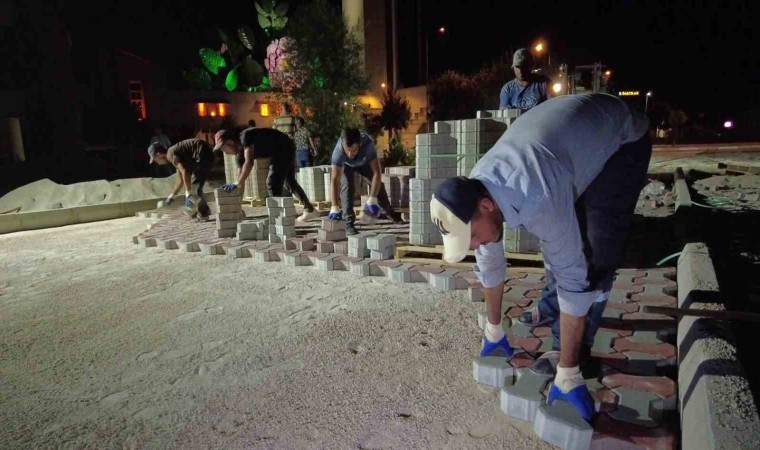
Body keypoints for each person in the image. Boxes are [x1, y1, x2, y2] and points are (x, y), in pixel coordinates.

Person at [429, 93, 650, 422]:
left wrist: (568, 371)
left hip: (622, 140)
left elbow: (573, 277)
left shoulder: (537, 195)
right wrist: (493, 330)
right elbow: (489, 262)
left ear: (486, 206)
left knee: (594, 254)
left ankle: (574, 351)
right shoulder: (478, 188)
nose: (473, 245)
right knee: (561, 236)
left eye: (471, 236)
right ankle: (551, 306)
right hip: (564, 145)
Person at [214, 127, 320, 222]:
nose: (225, 152)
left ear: (230, 142)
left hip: (284, 145)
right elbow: (240, 180)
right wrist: (238, 208)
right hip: (278, 151)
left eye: (223, 148)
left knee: (272, 183)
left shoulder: (245, 138)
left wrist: (238, 183)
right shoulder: (238, 154)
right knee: (289, 182)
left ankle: (280, 219)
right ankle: (309, 210)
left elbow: (249, 162)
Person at [327, 128, 402, 235]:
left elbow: (376, 173)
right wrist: (334, 207)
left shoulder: (368, 146)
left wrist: (372, 198)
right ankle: (348, 223)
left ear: (360, 144)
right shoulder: (338, 151)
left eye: (354, 150)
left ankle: (390, 213)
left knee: (378, 187)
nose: (350, 154)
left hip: (364, 163)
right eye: (347, 150)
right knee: (347, 187)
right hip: (346, 166)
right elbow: (335, 179)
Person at [147, 138, 213, 219]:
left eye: (155, 160)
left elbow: (185, 171)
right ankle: (201, 211)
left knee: (194, 187)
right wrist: (172, 197)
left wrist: (188, 193)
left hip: (202, 154)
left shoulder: (170, 154)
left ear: (158, 155)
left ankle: (201, 212)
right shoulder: (174, 155)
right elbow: (180, 180)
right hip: (204, 154)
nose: (157, 163)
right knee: (195, 186)